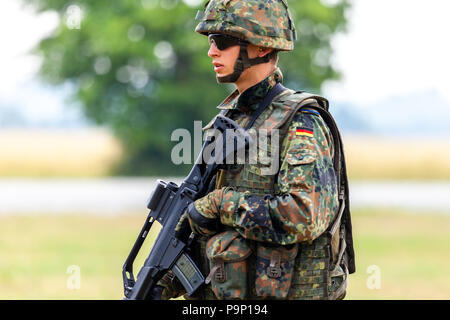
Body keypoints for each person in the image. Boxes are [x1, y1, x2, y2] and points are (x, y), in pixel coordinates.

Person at [156, 0, 355, 300]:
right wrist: (165, 281)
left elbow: (304, 215)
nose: (212, 51)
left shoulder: (301, 121)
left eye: (222, 42)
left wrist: (222, 204)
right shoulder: (226, 124)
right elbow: (206, 233)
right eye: (211, 41)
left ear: (261, 48)